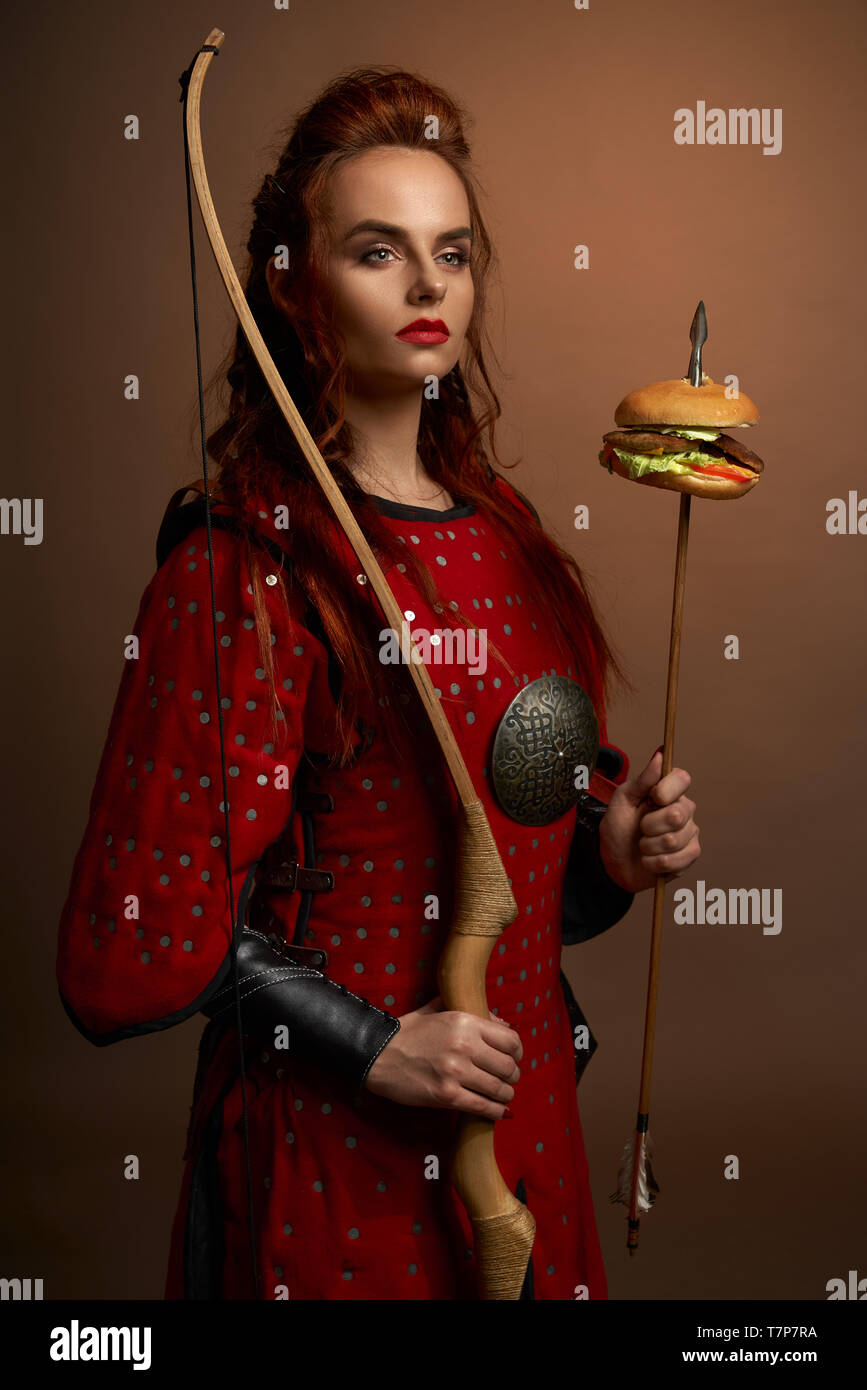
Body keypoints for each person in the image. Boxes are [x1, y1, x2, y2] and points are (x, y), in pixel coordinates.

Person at [56, 66, 701, 1301]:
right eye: (377, 250)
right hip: (335, 1154)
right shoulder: (239, 565)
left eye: (451, 253)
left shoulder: (509, 533)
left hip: (523, 1127)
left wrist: (607, 853)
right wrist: (374, 1043)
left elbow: (505, 858)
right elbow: (138, 943)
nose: (426, 287)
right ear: (294, 286)